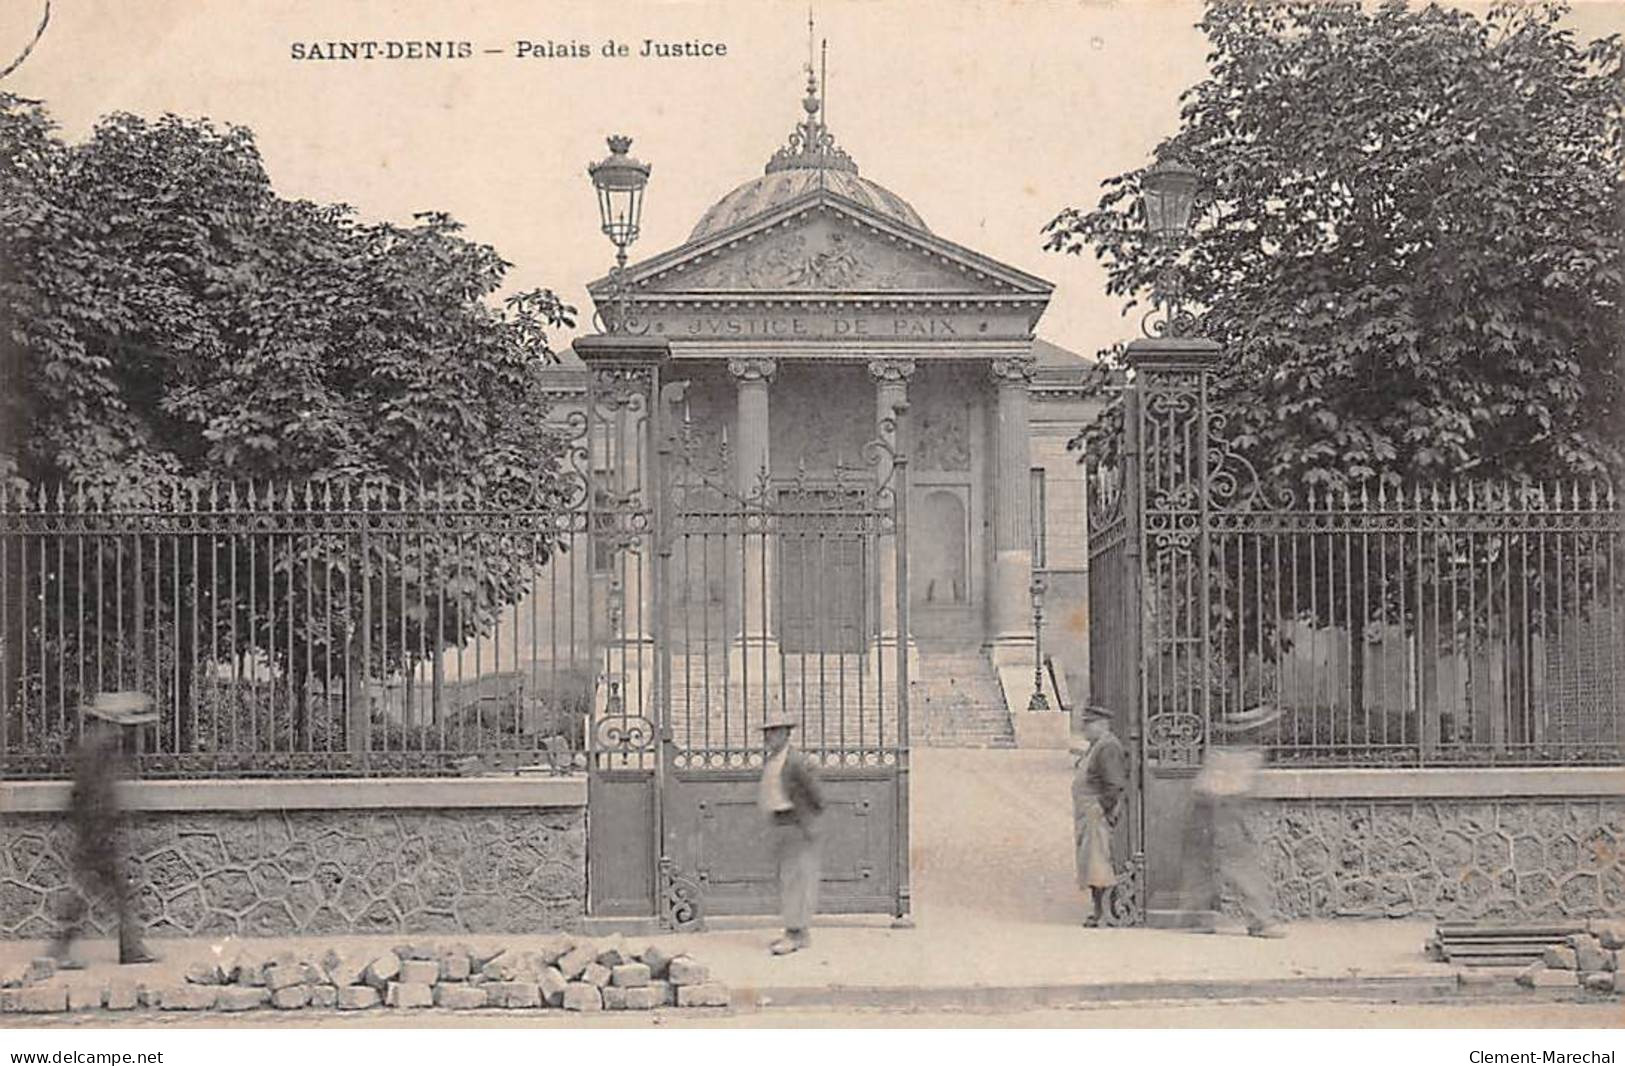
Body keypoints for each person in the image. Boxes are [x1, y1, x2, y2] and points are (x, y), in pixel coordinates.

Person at [49, 692, 160, 968]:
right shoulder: (100, 746)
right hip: (96, 831)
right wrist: (99, 830)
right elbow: (90, 792)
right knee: (104, 891)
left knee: (96, 890)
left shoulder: (103, 744)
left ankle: (126, 948)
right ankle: (125, 949)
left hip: (96, 829)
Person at [1180, 705, 1286, 939]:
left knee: (1202, 866)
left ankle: (1199, 919)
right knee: (1242, 867)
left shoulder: (1218, 752)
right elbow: (1235, 791)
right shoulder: (1246, 755)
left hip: (1204, 810)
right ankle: (1260, 921)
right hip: (1224, 813)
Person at [758, 710, 824, 955]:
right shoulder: (772, 759)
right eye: (767, 732)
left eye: (774, 731)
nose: (769, 736)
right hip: (780, 824)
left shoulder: (796, 761)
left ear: (786, 733)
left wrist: (806, 820)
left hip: (795, 823)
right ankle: (796, 932)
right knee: (789, 879)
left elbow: (816, 795)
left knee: (796, 880)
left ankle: (795, 934)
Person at [1071, 705, 1127, 927]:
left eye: (1089, 724)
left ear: (1102, 725)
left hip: (1096, 813)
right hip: (1089, 813)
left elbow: (1113, 784)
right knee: (1091, 862)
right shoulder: (1097, 746)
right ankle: (1099, 911)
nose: (1084, 729)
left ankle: (1104, 913)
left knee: (1098, 862)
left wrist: (1104, 809)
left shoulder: (1107, 747)